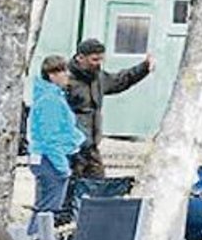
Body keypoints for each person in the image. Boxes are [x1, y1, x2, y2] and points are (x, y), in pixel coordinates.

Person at [63, 37, 155, 178]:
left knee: (98, 184)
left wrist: (144, 68)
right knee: (69, 186)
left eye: (101, 59)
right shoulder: (66, 81)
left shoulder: (98, 78)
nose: (98, 63)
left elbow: (120, 80)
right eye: (94, 60)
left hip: (91, 147)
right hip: (71, 148)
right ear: (80, 58)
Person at [27, 54, 86, 233]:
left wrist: (78, 138)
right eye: (63, 71)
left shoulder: (51, 96)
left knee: (43, 207)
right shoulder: (50, 101)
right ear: (52, 75)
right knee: (47, 209)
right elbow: (50, 138)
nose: (68, 75)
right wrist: (63, 168)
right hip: (50, 160)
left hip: (44, 158)